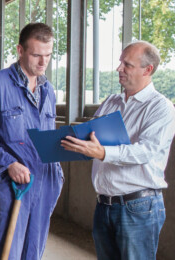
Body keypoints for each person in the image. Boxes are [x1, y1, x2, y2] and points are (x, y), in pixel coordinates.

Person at [61, 41, 175, 259]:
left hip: (138, 208)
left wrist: (103, 153)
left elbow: (145, 151)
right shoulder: (112, 102)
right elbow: (91, 136)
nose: (119, 69)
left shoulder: (161, 108)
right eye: (120, 62)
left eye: (127, 64)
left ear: (147, 69)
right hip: (105, 205)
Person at [0, 23, 63, 260]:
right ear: (20, 50)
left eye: (48, 55)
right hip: (13, 184)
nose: (43, 62)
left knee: (33, 253)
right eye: (36, 55)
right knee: (8, 252)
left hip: (45, 181)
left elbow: (47, 136)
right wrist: (8, 163)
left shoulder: (48, 90)